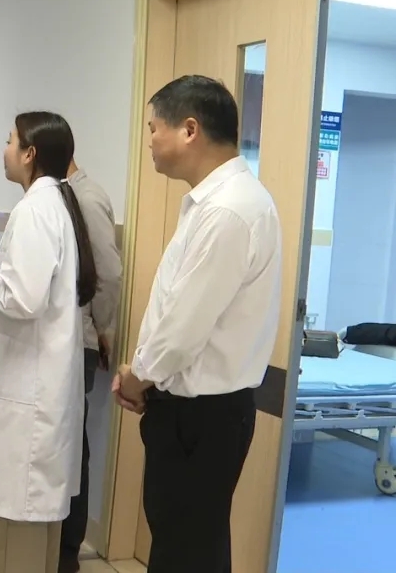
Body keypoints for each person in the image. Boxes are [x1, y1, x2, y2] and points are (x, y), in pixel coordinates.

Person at [113, 75, 280, 573]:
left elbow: (182, 329)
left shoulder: (228, 211)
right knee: (189, 545)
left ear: (189, 130)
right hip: (196, 412)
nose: (149, 140)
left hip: (200, 416)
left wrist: (138, 377)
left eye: (153, 128)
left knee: (186, 550)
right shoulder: (221, 203)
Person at [0, 111, 97, 573]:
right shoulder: (54, 204)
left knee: (16, 526)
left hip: (29, 396)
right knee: (31, 527)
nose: (4, 149)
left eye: (9, 140)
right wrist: (0, 268)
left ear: (29, 153)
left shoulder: (35, 209)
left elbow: (22, 300)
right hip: (39, 389)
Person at [59, 159, 121, 573]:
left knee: (69, 449)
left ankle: (67, 553)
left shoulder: (87, 197)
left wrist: (104, 327)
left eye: (14, 143)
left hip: (76, 341)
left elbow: (108, 274)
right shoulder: (54, 197)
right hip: (57, 343)